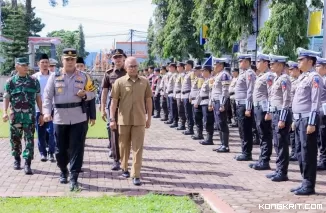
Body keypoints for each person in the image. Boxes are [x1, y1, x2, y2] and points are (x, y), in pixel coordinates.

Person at [43, 48, 96, 191]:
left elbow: (93, 92)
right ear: (62, 60)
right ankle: (63, 170)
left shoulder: (84, 76)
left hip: (79, 117)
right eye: (67, 59)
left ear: (75, 60)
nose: (70, 61)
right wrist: (47, 112)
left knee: (77, 148)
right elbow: (47, 97)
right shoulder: (54, 77)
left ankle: (74, 177)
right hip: (60, 118)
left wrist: (85, 94)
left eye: (73, 59)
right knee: (60, 150)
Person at [110, 57, 152, 186]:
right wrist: (112, 119)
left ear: (138, 67)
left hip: (139, 119)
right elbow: (114, 101)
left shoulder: (144, 82)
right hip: (124, 119)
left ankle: (136, 174)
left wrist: (149, 118)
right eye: (130, 66)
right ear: (125, 68)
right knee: (123, 146)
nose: (133, 68)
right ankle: (124, 167)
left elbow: (149, 100)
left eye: (135, 66)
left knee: (138, 148)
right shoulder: (119, 82)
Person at [3, 57, 43, 175]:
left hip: (29, 117)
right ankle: (16, 159)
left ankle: (27, 163)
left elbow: (38, 98)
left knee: (29, 140)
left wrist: (41, 113)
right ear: (17, 67)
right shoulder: (10, 82)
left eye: (27, 65)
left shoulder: (34, 81)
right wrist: (5, 112)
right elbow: (6, 98)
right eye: (23, 65)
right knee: (15, 139)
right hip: (15, 116)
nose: (26, 67)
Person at [291, 48, 322, 195]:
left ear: (310, 61)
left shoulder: (315, 77)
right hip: (299, 119)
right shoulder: (302, 77)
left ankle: (309, 185)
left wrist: (311, 122)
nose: (298, 62)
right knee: (299, 151)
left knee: (308, 152)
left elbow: (315, 102)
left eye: (301, 60)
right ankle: (304, 181)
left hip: (307, 120)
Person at [264, 54, 292, 182]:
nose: (271, 66)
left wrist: (282, 118)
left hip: (281, 114)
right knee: (276, 142)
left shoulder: (285, 79)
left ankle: (282, 172)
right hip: (275, 113)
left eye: (273, 64)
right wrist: (269, 112)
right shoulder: (276, 78)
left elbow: (287, 99)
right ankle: (278, 169)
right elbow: (272, 98)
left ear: (280, 65)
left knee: (282, 143)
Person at [101, 49, 127, 170]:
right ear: (112, 59)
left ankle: (125, 158)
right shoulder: (109, 73)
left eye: (119, 57)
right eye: (115, 57)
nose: (117, 59)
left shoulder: (129, 72)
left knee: (127, 133)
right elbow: (104, 92)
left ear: (123, 58)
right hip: (114, 106)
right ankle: (116, 160)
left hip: (127, 106)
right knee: (114, 132)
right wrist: (102, 108)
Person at [249, 53, 274, 170]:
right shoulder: (261, 75)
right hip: (258, 107)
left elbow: (271, 95)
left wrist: (269, 111)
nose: (257, 64)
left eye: (259, 62)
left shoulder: (269, 76)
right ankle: (261, 159)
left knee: (265, 134)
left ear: (265, 63)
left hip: (264, 109)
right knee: (261, 134)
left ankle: (265, 161)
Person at [32, 54, 56, 162]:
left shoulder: (54, 76)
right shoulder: (34, 77)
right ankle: (43, 153)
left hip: (52, 109)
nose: (45, 64)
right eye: (42, 62)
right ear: (38, 64)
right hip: (38, 109)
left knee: (52, 132)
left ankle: (51, 152)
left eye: (47, 62)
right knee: (40, 132)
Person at [234, 54, 256, 161]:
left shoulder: (249, 73)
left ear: (247, 62)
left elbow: (250, 90)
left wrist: (248, 107)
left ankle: (247, 153)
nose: (239, 63)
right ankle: (244, 151)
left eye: (241, 61)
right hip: (240, 105)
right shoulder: (243, 73)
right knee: (242, 129)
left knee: (246, 129)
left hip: (244, 106)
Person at [210, 58, 232, 152]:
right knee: (218, 123)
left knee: (222, 123)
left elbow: (225, 91)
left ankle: (225, 145)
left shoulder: (224, 75)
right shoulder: (218, 75)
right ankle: (222, 144)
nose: (214, 67)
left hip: (220, 101)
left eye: (215, 65)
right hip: (216, 101)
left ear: (220, 65)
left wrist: (222, 104)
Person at [196, 65, 215, 145]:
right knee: (205, 121)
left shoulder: (211, 80)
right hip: (203, 102)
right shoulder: (206, 80)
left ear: (207, 71)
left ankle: (209, 138)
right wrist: (197, 102)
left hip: (207, 102)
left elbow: (211, 93)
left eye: (203, 71)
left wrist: (210, 103)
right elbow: (200, 93)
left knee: (208, 121)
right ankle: (208, 137)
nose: (202, 72)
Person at [288, 61, 301, 162]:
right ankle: (294, 152)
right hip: (291, 109)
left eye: (292, 69)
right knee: (292, 133)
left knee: (296, 132)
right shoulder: (291, 80)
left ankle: (297, 152)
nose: (290, 71)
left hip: (296, 110)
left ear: (297, 70)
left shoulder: (299, 81)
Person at [316, 57, 326, 171]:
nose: (316, 68)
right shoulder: (320, 79)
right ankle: (322, 159)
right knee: (320, 137)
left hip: (324, 112)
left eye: (319, 66)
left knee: (323, 137)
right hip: (320, 111)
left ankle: (323, 160)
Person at [190, 65, 205, 140]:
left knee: (198, 118)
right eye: (193, 71)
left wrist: (197, 102)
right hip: (194, 100)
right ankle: (198, 133)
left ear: (199, 71)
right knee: (195, 118)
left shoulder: (200, 79)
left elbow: (200, 92)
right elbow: (193, 90)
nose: (194, 72)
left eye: (195, 70)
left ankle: (199, 134)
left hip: (197, 102)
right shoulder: (197, 79)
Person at [181, 60, 195, 135]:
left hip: (188, 95)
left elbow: (193, 86)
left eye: (186, 65)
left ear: (189, 65)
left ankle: (190, 128)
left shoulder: (192, 74)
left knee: (189, 113)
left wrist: (190, 95)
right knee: (187, 112)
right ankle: (189, 128)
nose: (184, 67)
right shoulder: (187, 74)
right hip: (185, 95)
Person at [165, 63, 179, 127]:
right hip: (169, 93)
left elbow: (176, 86)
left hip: (173, 93)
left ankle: (175, 121)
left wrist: (175, 94)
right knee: (170, 108)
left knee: (174, 109)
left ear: (174, 68)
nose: (169, 68)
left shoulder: (175, 75)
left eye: (170, 67)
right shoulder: (172, 75)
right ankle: (172, 120)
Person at [174, 62, 187, 130]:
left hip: (181, 94)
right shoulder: (179, 75)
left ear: (182, 67)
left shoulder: (183, 75)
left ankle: (183, 124)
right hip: (178, 94)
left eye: (179, 67)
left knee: (181, 110)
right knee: (179, 110)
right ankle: (181, 123)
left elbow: (183, 86)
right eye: (177, 67)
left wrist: (181, 95)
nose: (177, 68)